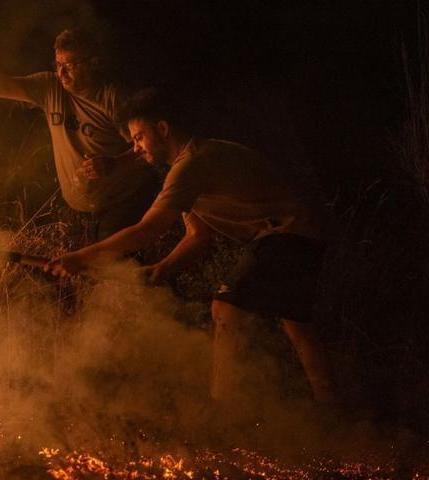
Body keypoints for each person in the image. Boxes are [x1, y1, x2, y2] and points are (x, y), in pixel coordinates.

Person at [47, 87, 337, 406]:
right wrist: (162, 269)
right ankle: (332, 413)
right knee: (297, 325)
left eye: (139, 138)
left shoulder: (192, 163)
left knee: (225, 308)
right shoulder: (185, 169)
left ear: (162, 129)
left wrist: (81, 257)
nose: (136, 148)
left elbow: (148, 229)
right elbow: (198, 236)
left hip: (288, 231)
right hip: (299, 233)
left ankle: (225, 415)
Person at [0, 29, 158, 242]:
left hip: (122, 200)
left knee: (113, 263)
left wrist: (115, 163)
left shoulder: (113, 98)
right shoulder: (50, 87)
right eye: (58, 65)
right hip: (82, 207)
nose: (61, 73)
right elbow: (3, 84)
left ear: (92, 63)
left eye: (70, 66)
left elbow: (151, 145)